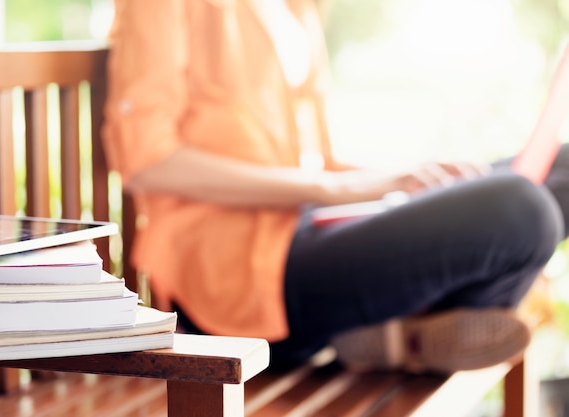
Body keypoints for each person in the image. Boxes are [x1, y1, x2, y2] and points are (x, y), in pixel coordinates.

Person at [102, 0, 569, 373]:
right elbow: (149, 161)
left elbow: (315, 160)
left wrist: (402, 182)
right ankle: (405, 328)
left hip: (310, 228)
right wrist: (334, 188)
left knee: (559, 174)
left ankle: (394, 331)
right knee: (522, 208)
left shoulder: (297, 7)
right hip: (241, 273)